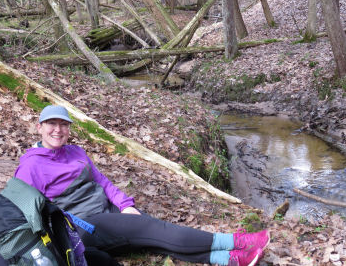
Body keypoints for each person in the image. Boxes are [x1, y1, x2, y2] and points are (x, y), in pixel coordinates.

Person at [14, 105, 270, 266]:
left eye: (63, 125)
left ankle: (230, 259)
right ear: (39, 128)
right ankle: (236, 240)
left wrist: (125, 205)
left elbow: (101, 180)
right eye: (52, 124)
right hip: (81, 225)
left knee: (152, 236)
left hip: (106, 211)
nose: (58, 130)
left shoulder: (75, 152)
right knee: (153, 228)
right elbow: (26, 212)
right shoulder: (30, 166)